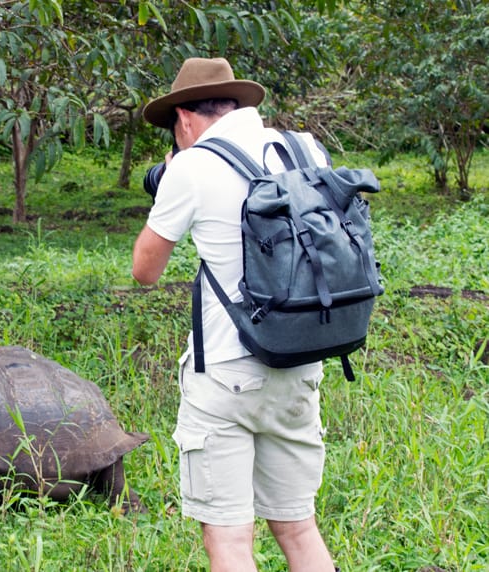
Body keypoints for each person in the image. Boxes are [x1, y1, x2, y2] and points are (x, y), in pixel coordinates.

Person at [132, 57, 337, 572]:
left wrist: (175, 176)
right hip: (301, 362)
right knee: (297, 526)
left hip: (226, 372)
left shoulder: (193, 166)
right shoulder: (305, 148)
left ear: (183, 118)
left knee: (229, 542)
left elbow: (144, 271)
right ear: (237, 104)